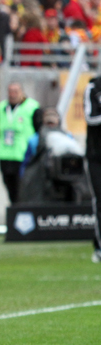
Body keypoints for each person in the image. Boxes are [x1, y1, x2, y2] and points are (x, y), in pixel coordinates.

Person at [0, 83, 40, 204]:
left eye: (15, 91)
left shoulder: (32, 107)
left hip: (23, 156)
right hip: (5, 155)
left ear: (22, 92)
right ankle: (14, 208)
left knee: (23, 189)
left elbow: (38, 130)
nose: (12, 94)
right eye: (10, 91)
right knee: (11, 190)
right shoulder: (2, 107)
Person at [82, 74, 101, 263]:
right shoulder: (94, 87)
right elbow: (90, 117)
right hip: (96, 155)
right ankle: (99, 246)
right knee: (99, 200)